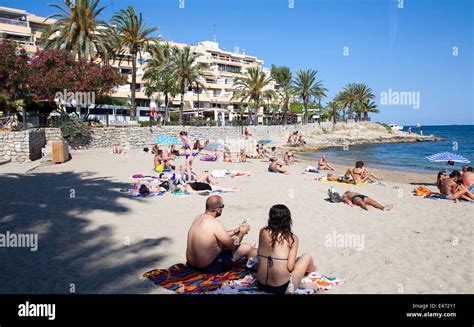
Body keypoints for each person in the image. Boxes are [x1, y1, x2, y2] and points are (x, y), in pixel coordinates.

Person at [186, 196, 257, 274]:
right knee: (247, 247)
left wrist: (234, 231)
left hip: (191, 265)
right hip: (208, 268)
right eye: (222, 206)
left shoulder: (198, 218)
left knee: (222, 245)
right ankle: (257, 268)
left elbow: (216, 235)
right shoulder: (215, 223)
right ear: (218, 209)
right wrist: (242, 233)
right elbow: (234, 246)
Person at [257, 204, 316, 294]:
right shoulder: (292, 238)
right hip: (281, 288)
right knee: (307, 256)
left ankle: (300, 282)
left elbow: (258, 254)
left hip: (260, 285)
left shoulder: (262, 231)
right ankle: (311, 271)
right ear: (288, 219)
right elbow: (290, 267)